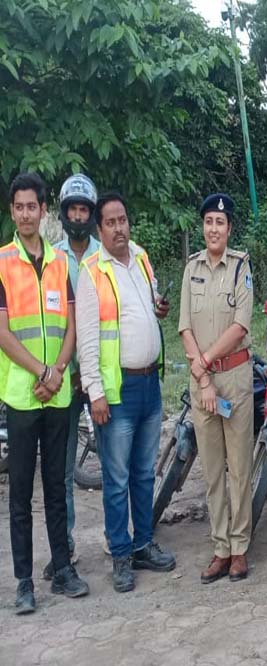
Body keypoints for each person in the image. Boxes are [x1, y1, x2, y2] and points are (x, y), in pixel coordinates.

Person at [77, 192, 176, 593]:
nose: (119, 228)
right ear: (99, 229)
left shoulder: (140, 258)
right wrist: (94, 392)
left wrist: (159, 308)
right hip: (116, 391)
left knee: (143, 472)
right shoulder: (92, 272)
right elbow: (87, 338)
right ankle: (120, 553)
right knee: (116, 478)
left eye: (123, 220)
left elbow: (148, 308)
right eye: (111, 223)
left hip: (149, 384)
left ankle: (143, 544)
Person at [3, 172, 89, 615]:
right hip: (21, 395)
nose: (25, 214)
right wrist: (42, 371)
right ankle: (23, 582)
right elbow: (2, 332)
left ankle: (63, 568)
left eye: (32, 207)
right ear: (12, 211)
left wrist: (57, 372)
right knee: (21, 494)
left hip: (56, 395)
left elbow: (71, 323)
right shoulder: (2, 262)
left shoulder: (58, 263)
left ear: (43, 210)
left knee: (57, 485)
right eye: (18, 207)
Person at [179, 193, 255, 584]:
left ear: (229, 229)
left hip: (234, 379)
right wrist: (204, 378)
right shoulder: (191, 268)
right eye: (208, 221)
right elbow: (184, 327)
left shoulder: (241, 267)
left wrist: (206, 363)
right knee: (212, 470)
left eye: (220, 223)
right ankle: (220, 547)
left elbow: (240, 326)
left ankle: (240, 548)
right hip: (202, 384)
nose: (213, 229)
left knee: (239, 467)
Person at [45, 173, 101, 577]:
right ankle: (63, 547)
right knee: (61, 471)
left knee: (115, 465)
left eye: (84, 210)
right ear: (64, 214)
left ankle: (123, 540)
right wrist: (67, 369)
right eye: (73, 210)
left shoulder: (105, 256)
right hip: (63, 378)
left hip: (100, 377)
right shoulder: (52, 259)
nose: (79, 216)